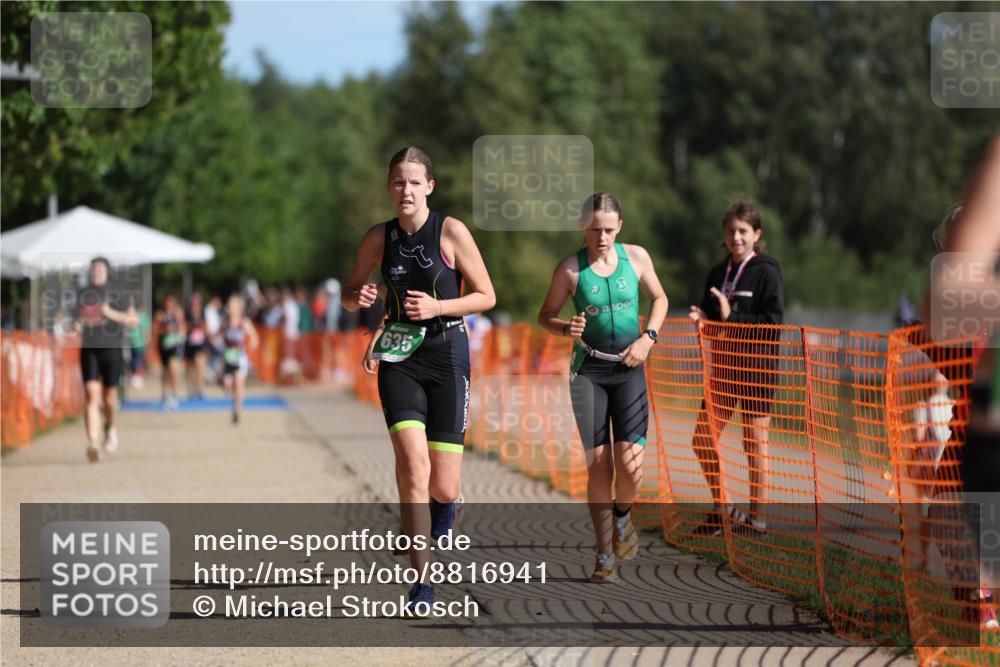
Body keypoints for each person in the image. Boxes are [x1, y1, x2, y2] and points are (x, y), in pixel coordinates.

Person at [342, 146, 496, 614]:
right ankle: (422, 583)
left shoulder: (451, 231)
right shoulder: (378, 237)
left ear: (429, 186)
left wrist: (438, 307)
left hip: (447, 353)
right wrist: (358, 296)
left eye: (414, 182)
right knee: (413, 465)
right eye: (398, 182)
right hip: (400, 357)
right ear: (388, 187)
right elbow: (350, 293)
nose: (405, 190)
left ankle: (443, 506)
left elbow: (486, 296)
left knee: (444, 485)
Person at [537, 192, 669, 583]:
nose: (602, 237)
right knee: (599, 464)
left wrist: (648, 338)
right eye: (595, 229)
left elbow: (660, 298)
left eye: (609, 229)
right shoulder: (569, 269)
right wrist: (566, 327)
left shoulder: (637, 258)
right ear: (584, 227)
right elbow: (545, 315)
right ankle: (604, 554)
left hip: (629, 368)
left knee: (631, 466)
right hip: (589, 372)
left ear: (620, 227)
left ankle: (623, 517)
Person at [688, 200, 784, 537]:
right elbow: (711, 315)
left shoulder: (767, 271)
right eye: (731, 231)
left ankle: (757, 520)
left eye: (743, 231)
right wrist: (703, 317)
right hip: (724, 369)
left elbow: (773, 323)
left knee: (754, 444)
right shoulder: (718, 273)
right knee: (702, 439)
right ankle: (723, 510)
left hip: (757, 369)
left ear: (757, 234)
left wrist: (732, 318)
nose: (736, 237)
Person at [75, 257, 137, 462]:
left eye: (100, 270)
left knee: (109, 398)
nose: (96, 273)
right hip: (89, 349)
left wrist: (110, 313)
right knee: (91, 395)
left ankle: (110, 428)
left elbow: (133, 320)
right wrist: (76, 325)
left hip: (112, 349)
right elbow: (75, 319)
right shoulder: (82, 294)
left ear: (107, 272)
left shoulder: (118, 293)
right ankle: (93, 443)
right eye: (94, 270)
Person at [220, 293, 259, 425]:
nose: (230, 307)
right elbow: (220, 336)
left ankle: (237, 410)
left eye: (233, 305)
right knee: (227, 386)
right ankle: (235, 400)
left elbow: (254, 337)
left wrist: (252, 343)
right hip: (227, 358)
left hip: (240, 358)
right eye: (229, 305)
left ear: (239, 308)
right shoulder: (225, 322)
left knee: (239, 382)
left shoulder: (244, 322)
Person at [156, 294, 186, 411]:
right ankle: (164, 394)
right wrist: (164, 330)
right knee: (165, 371)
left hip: (175, 346)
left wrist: (180, 335)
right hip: (164, 346)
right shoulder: (160, 315)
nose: (169, 306)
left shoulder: (178, 313)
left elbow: (183, 328)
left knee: (174, 369)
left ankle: (175, 395)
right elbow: (155, 330)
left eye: (171, 304)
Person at [184, 291, 209, 399]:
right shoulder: (187, 315)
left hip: (200, 344)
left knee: (200, 366)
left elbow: (206, 328)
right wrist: (192, 325)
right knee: (190, 368)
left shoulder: (203, 314)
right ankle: (192, 388)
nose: (196, 307)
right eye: (194, 304)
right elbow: (184, 327)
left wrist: (200, 325)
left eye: (197, 304)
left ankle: (200, 388)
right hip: (190, 345)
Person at [127, 303, 151, 389]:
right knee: (138, 361)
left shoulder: (131, 316)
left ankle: (136, 378)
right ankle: (136, 378)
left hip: (133, 343)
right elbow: (146, 331)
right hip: (139, 343)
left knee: (135, 360)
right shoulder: (143, 317)